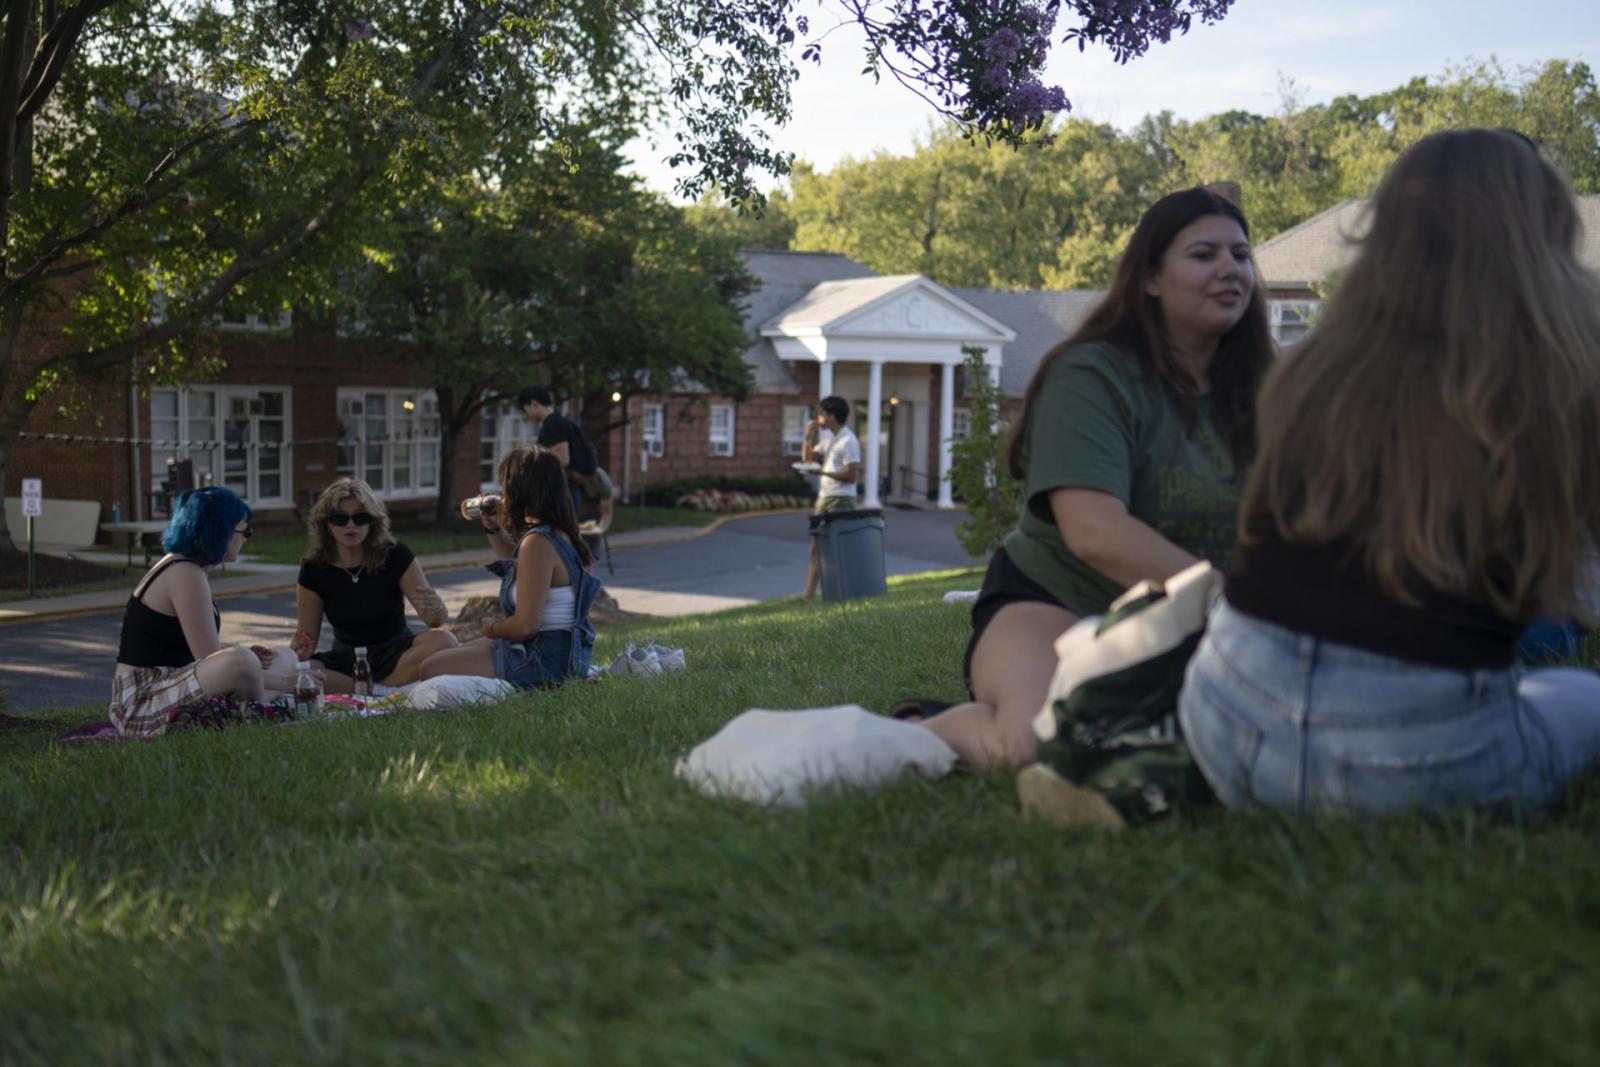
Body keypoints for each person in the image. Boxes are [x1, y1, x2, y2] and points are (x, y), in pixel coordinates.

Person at [1178, 128, 1600, 816]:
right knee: (1584, 696)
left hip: (1224, 723)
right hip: (1417, 763)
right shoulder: (1566, 372)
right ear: (1543, 228)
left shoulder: (1314, 369)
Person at [912, 186, 1274, 768]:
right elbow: (1093, 533)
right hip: (1059, 601)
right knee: (1034, 745)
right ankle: (926, 728)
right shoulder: (1092, 375)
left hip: (1200, 622)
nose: (1230, 269)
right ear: (1150, 278)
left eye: (1241, 255)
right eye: (1204, 255)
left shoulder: (1271, 387)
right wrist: (1235, 600)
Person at [419, 446, 602, 688]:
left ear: (519, 490)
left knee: (431, 668)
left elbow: (526, 626)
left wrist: (492, 628)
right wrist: (493, 527)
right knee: (444, 657)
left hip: (544, 659)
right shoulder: (561, 533)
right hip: (558, 652)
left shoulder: (538, 543)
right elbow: (519, 568)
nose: (503, 494)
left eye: (506, 487)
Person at [109, 487, 285, 737]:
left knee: (285, 658)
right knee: (242, 662)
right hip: (142, 700)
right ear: (221, 531)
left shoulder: (189, 568)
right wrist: (272, 675)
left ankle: (277, 695)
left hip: (172, 683)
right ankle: (261, 714)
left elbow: (206, 660)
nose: (246, 538)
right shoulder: (184, 572)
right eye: (244, 530)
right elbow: (212, 659)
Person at [291, 478, 458, 691]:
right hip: (346, 659)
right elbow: (307, 637)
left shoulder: (395, 555)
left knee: (446, 640)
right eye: (340, 518)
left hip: (398, 654)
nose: (350, 525)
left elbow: (435, 620)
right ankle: (380, 689)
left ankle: (376, 688)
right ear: (326, 523)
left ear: (373, 521)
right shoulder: (314, 569)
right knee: (299, 669)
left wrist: (436, 608)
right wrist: (297, 651)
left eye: (360, 518)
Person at [801, 395, 862, 599]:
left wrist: (823, 473)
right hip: (825, 498)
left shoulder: (848, 441)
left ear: (832, 416)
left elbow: (852, 476)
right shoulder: (829, 440)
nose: (819, 417)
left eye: (822, 413)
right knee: (816, 548)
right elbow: (807, 459)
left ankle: (842, 592)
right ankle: (807, 596)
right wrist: (808, 437)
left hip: (841, 499)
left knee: (836, 549)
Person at [519, 385, 597, 513]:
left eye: (525, 409)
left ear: (534, 404)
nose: (526, 414)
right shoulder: (562, 422)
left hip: (562, 491)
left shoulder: (552, 424)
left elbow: (563, 459)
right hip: (568, 489)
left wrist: (534, 463)